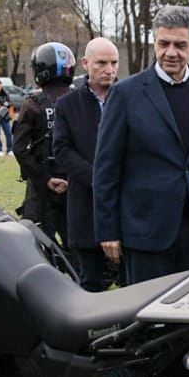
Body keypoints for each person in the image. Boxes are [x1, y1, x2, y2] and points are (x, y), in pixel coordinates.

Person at [93, 5, 189, 285]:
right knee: (149, 312)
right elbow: (106, 168)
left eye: (180, 45)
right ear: (154, 42)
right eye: (163, 44)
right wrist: (107, 229)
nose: (171, 52)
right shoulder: (125, 94)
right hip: (146, 234)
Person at [52, 37, 120, 290]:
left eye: (114, 63)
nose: (109, 70)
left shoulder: (130, 99)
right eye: (101, 63)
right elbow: (62, 150)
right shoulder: (67, 105)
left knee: (133, 283)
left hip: (125, 205)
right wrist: (96, 179)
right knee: (91, 281)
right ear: (85, 63)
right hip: (85, 206)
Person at [13, 42, 76, 247]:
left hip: (41, 189)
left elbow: (19, 149)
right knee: (77, 248)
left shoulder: (32, 105)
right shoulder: (80, 101)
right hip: (75, 187)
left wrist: (45, 178)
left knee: (35, 247)